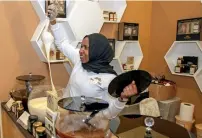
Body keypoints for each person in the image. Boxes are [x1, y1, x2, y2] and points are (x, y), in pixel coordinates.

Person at [47, 3, 138, 120]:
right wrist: (53, 22)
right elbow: (62, 43)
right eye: (81, 46)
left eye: (86, 48)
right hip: (66, 116)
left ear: (97, 51)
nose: (80, 51)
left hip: (87, 125)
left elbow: (110, 114)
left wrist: (122, 99)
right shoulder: (80, 60)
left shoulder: (108, 78)